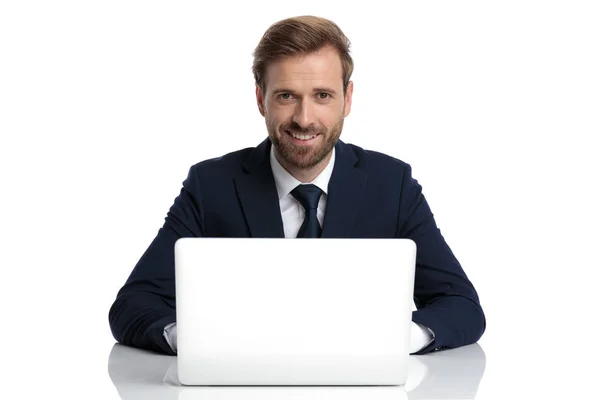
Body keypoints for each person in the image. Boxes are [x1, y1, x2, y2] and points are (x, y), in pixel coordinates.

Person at [108, 15, 485, 356]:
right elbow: (134, 304)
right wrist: (192, 340)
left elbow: (461, 304)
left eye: (322, 96)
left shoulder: (393, 185)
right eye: (286, 96)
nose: (304, 119)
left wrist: (399, 340)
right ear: (261, 99)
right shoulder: (211, 186)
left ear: (347, 99)